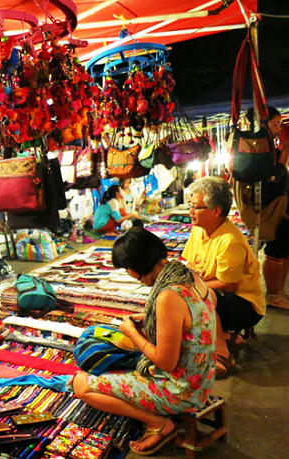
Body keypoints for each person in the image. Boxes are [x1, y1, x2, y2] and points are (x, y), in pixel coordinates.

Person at [72, 228, 216, 456]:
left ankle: (157, 423)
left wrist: (132, 333)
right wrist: (161, 323)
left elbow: (165, 363)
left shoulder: (168, 296)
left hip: (182, 391)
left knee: (81, 384)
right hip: (203, 378)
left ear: (135, 267)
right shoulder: (189, 275)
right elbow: (201, 317)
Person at [182, 177, 265, 376]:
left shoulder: (229, 241)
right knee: (180, 294)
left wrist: (192, 288)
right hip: (218, 294)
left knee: (201, 296)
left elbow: (228, 285)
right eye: (190, 205)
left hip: (243, 304)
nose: (191, 211)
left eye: (196, 207)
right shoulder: (199, 230)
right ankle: (226, 337)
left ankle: (222, 353)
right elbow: (191, 265)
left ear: (216, 211)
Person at [247, 107, 289, 309]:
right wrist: (285, 152)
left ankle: (278, 292)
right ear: (262, 124)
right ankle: (273, 295)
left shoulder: (269, 146)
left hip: (280, 203)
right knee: (277, 247)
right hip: (271, 207)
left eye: (279, 124)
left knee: (284, 247)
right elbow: (272, 179)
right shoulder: (258, 148)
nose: (278, 129)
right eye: (275, 124)